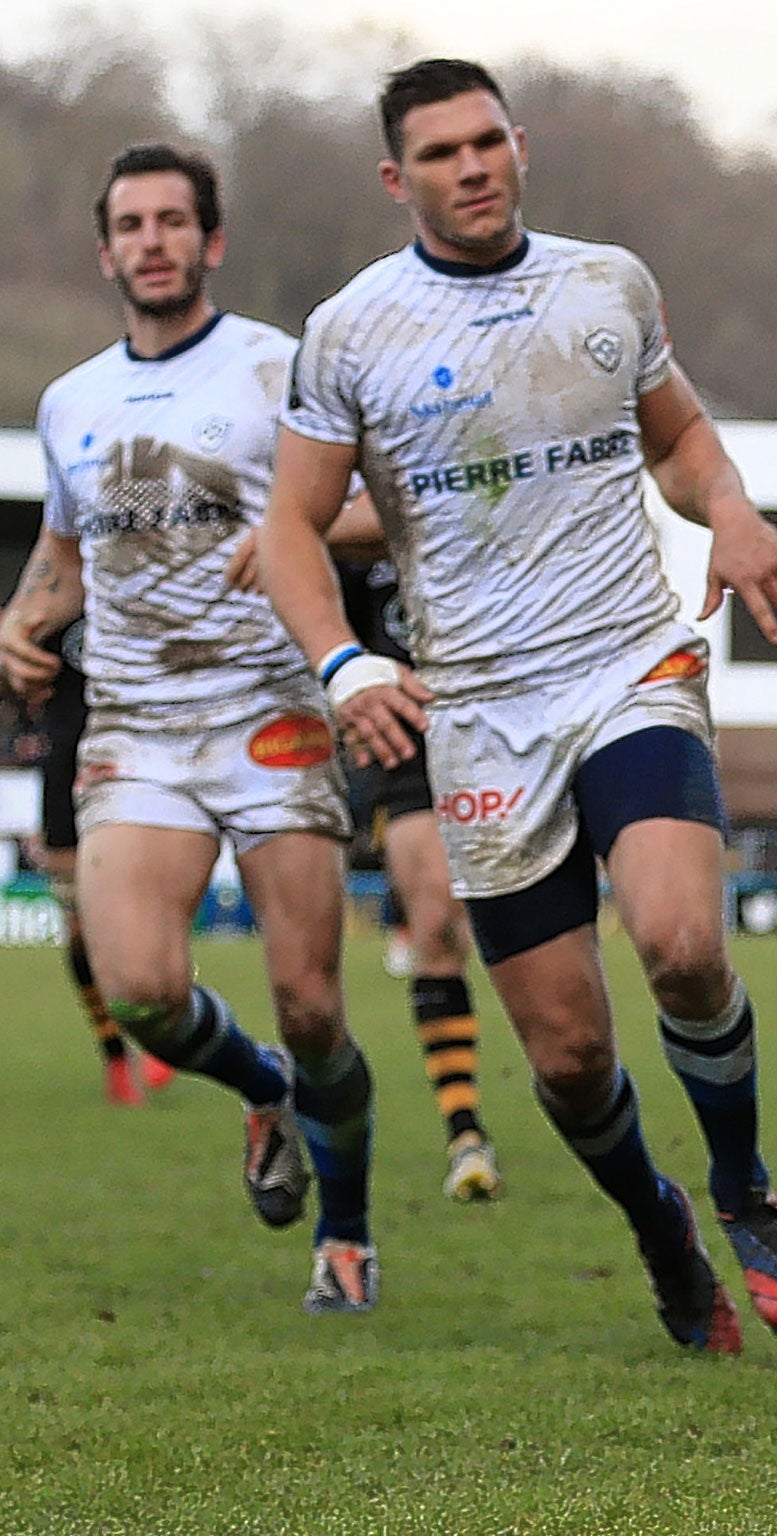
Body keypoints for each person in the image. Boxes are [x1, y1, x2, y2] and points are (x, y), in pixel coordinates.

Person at [257, 58, 777, 1352]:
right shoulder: (351, 333)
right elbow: (290, 527)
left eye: (486, 142)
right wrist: (346, 664)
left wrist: (729, 515)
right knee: (567, 1059)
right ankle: (660, 1226)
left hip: (629, 662)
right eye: (440, 153)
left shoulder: (604, 282)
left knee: (682, 944)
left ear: (519, 145)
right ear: (398, 178)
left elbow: (679, 440)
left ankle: (744, 1186)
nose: (471, 167)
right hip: (478, 712)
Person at [1, 143, 377, 1313]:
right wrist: (21, 622)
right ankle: (261, 1086)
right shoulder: (71, 400)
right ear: (106, 249)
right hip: (138, 725)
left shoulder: (279, 367)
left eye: (175, 220)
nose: (153, 240)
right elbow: (64, 553)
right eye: (133, 223)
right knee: (142, 992)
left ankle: (348, 1236)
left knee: (314, 1003)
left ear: (209, 241)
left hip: (269, 713)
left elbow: (377, 502)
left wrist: (292, 540)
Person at [336, 556, 503, 1200]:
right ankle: (464, 1130)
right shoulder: (353, 515)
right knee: (436, 925)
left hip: (512, 728)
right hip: (410, 743)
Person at [1, 618, 177, 1105]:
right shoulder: (54, 607)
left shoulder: (141, 590)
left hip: (139, 767)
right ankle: (115, 1055)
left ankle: (162, 1025)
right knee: (80, 931)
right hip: (65, 778)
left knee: (144, 916)